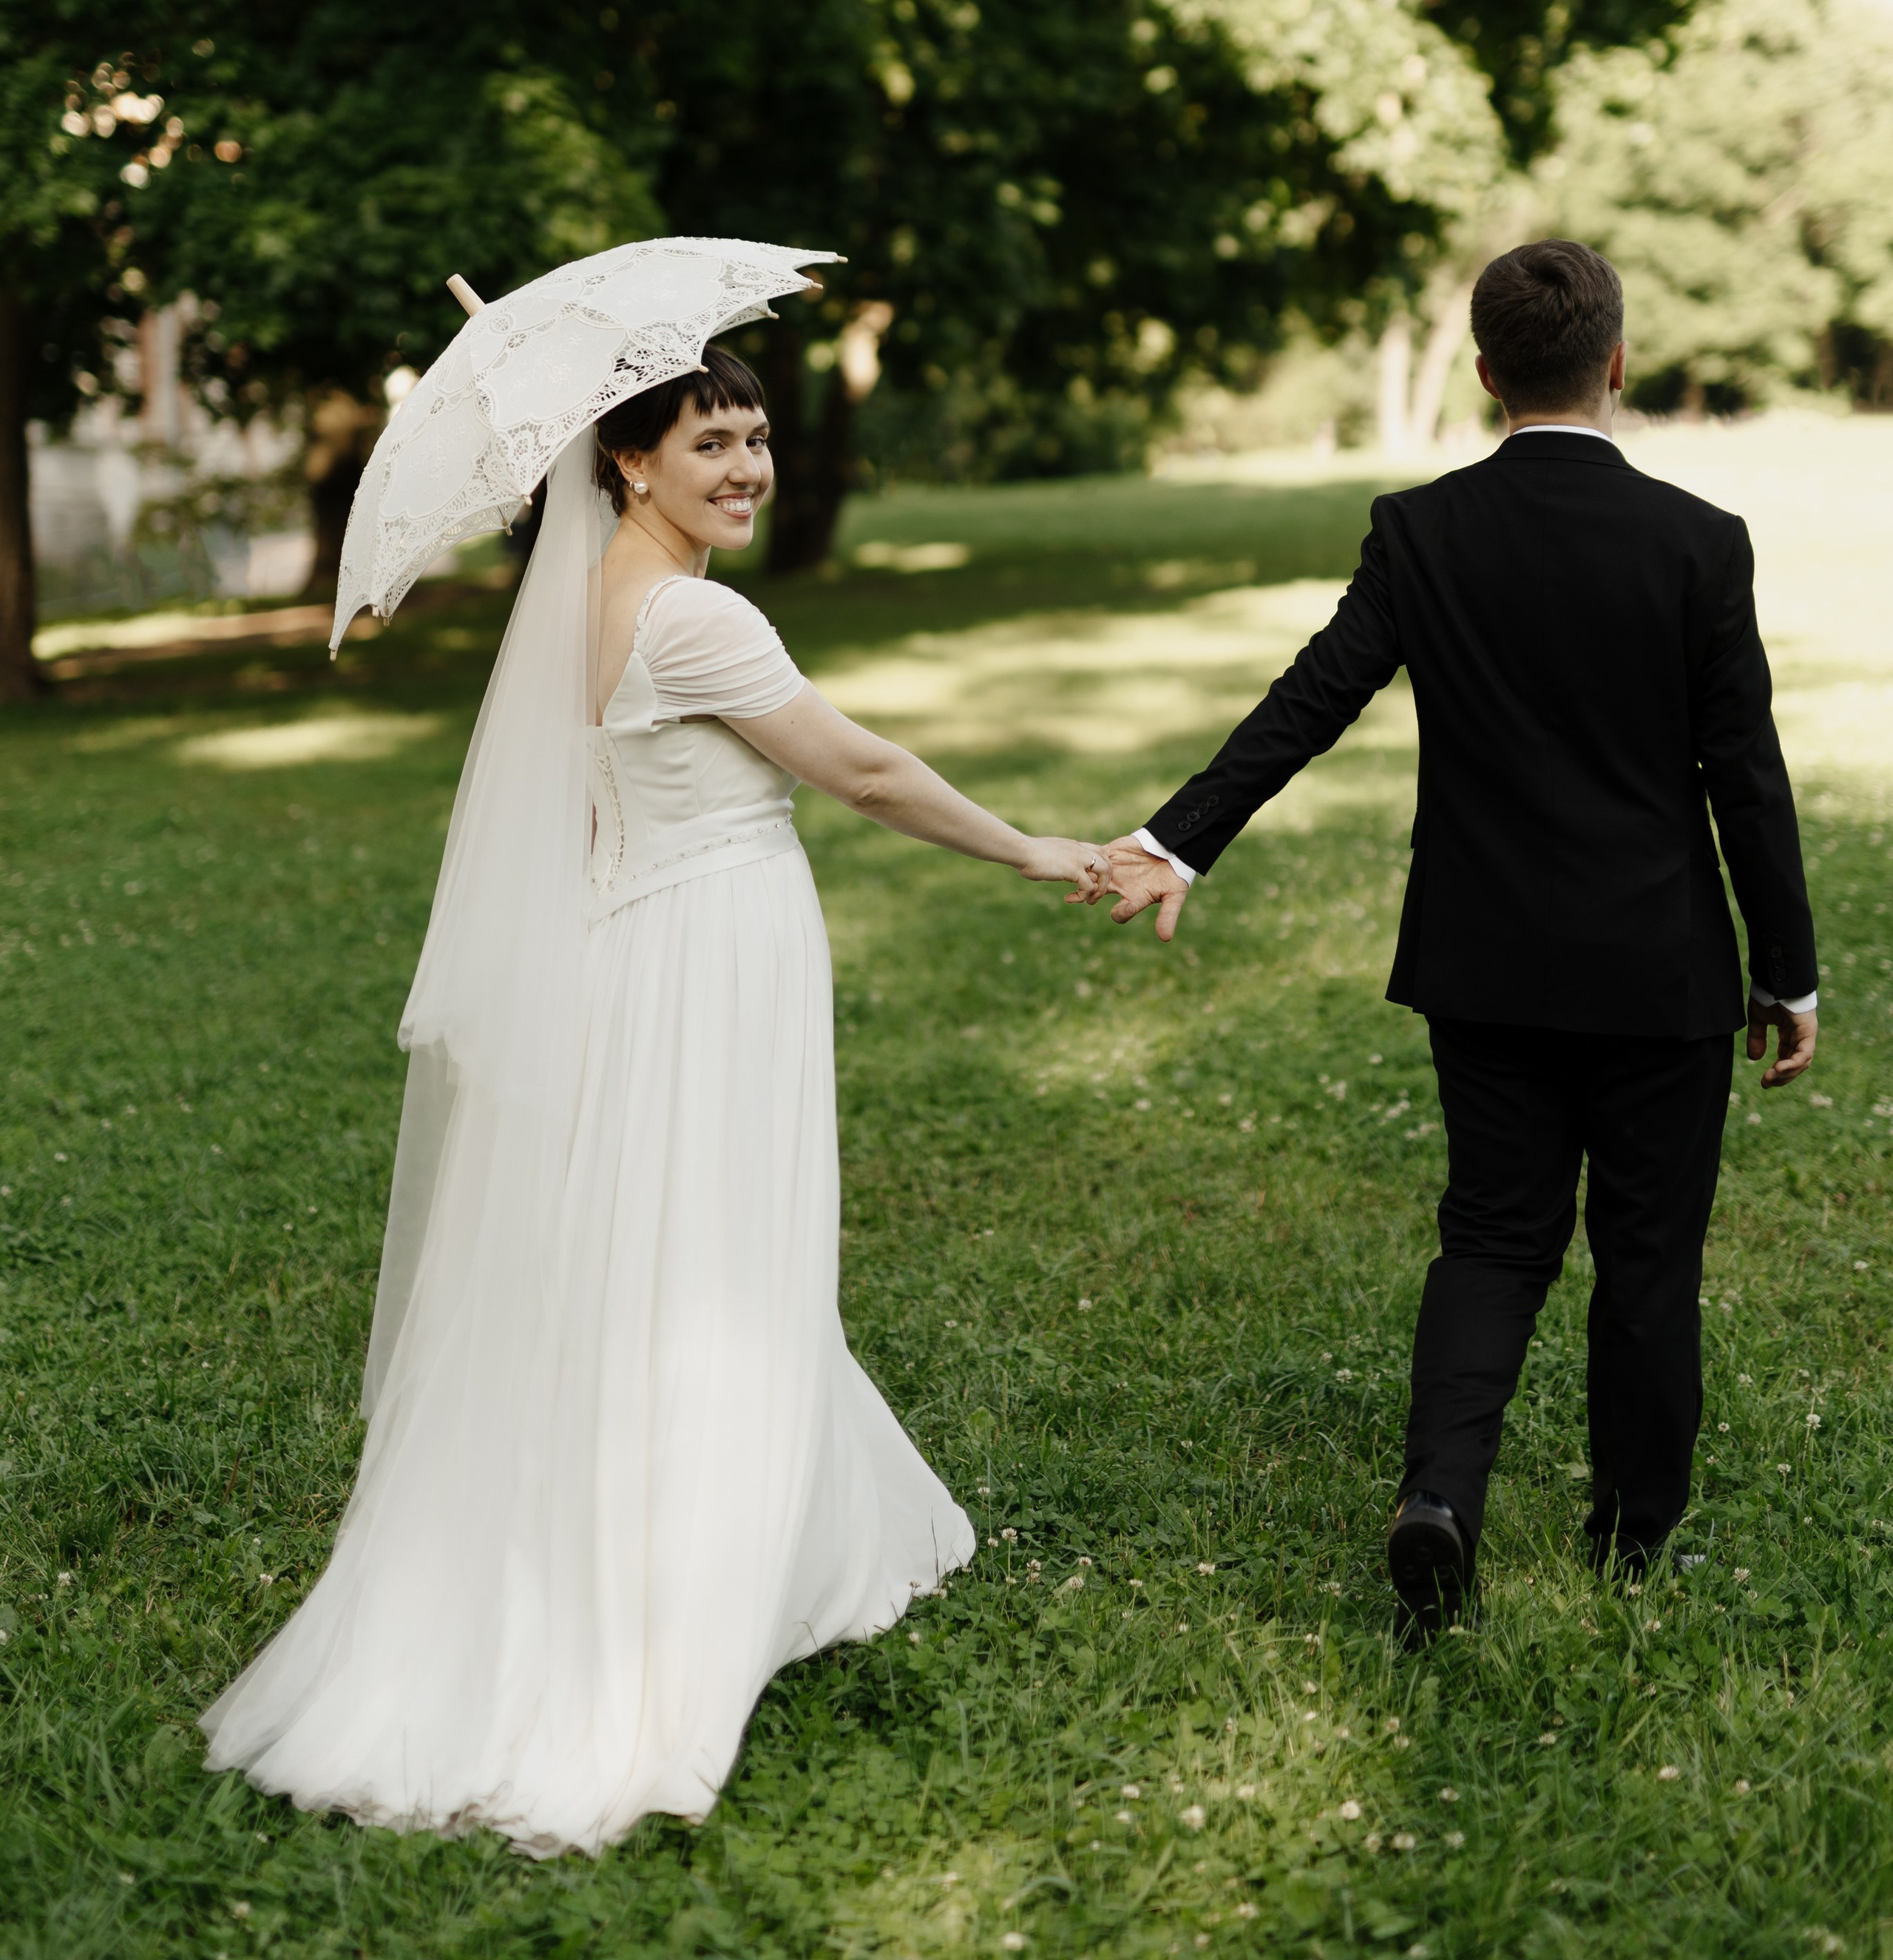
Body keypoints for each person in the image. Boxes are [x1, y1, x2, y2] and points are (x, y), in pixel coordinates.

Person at [203, 345, 1108, 1853]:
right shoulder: (689, 616)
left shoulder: (586, 603)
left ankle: (752, 1522)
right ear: (626, 461)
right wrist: (1033, 850)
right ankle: (675, 1586)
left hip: (655, 946)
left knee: (667, 1256)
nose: (746, 466)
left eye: (754, 437)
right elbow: (865, 773)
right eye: (711, 443)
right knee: (717, 1252)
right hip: (703, 961)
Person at [1096, 240, 1818, 1632]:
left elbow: (1308, 702)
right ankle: (1631, 1533)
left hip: (1486, 962)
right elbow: (1748, 776)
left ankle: (1441, 1498)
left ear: (1486, 376)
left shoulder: (1424, 532)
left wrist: (1176, 837)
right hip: (1660, 973)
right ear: (1616, 363)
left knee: (1493, 1238)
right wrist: (1783, 969)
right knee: (1650, 1254)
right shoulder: (1697, 541)